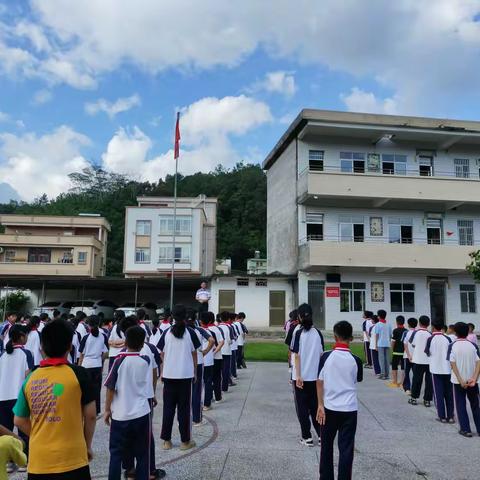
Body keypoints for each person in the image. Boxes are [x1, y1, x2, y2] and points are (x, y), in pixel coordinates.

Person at [13, 319, 96, 479]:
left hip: (39, 462)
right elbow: (91, 416)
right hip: (73, 458)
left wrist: (41, 434)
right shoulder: (80, 374)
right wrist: (87, 445)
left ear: (41, 347)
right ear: (70, 347)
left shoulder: (30, 378)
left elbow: (19, 420)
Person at [104, 325, 165, 480]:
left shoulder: (119, 360)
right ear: (142, 343)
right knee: (143, 453)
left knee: (116, 454)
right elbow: (150, 383)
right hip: (141, 413)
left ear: (126, 342)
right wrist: (152, 398)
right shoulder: (145, 360)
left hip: (121, 414)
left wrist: (106, 409)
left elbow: (110, 387)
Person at [316, 320, 362, 480]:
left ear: (335, 337)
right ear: (351, 338)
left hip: (329, 408)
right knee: (346, 449)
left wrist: (320, 405)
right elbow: (356, 380)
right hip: (349, 409)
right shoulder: (356, 360)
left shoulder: (326, 357)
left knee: (326, 448)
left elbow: (319, 381)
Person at [158, 304, 200, 451]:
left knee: (168, 409)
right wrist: (194, 371)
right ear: (185, 316)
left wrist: (164, 370)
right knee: (184, 410)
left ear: (172, 317)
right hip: (185, 376)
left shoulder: (166, 333)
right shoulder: (191, 333)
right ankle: (185, 441)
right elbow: (195, 353)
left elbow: (161, 353)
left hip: (169, 376)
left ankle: (166, 441)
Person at [290, 303, 324, 447]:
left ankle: (307, 437)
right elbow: (322, 354)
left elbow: (296, 355)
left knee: (302, 408)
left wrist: (297, 375)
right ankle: (322, 435)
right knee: (316, 406)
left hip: (301, 377)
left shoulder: (298, 333)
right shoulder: (318, 333)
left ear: (299, 317)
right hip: (314, 377)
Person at [0, 325, 32, 472]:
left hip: (2, 397)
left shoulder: (3, 355)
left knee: (6, 431)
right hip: (19, 397)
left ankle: (7, 461)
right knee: (23, 430)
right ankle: (23, 461)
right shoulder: (26, 353)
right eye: (26, 335)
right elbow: (28, 376)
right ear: (21, 336)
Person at [447, 322, 480, 437]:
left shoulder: (452, 345)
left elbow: (452, 363)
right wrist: (474, 378)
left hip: (458, 382)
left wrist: (461, 380)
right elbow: (478, 362)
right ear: (468, 332)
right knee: (475, 405)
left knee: (460, 405)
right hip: (472, 381)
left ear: (455, 332)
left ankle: (466, 429)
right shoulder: (473, 345)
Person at [78, 315, 109, 417]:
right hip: (97, 365)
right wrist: (100, 359)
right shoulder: (103, 336)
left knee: (85, 389)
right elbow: (106, 353)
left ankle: (84, 410)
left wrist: (79, 367)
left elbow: (81, 355)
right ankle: (97, 411)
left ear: (88, 325)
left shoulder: (86, 337)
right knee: (96, 389)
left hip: (86, 365)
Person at [188, 312, 214, 426]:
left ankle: (183, 419)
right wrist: (205, 351)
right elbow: (212, 340)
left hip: (185, 364)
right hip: (198, 362)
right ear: (195, 320)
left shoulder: (177, 331)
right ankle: (196, 419)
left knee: (185, 393)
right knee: (197, 391)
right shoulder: (198, 330)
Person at [425, 321, 454, 423]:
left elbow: (427, 352)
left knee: (438, 393)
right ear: (442, 328)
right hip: (447, 369)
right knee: (449, 394)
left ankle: (441, 416)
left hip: (436, 369)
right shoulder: (448, 338)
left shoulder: (430, 338)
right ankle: (450, 416)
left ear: (433, 327)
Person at [408, 315, 433, 407]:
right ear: (428, 324)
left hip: (418, 360)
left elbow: (413, 344)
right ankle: (427, 400)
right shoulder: (430, 334)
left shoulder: (416, 333)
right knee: (429, 381)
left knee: (417, 380)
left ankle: (414, 398)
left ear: (419, 323)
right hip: (429, 361)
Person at [205, 312, 225, 407]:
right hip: (217, 357)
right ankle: (218, 397)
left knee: (208, 379)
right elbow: (221, 342)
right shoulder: (217, 329)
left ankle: (208, 398)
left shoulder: (204, 329)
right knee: (217, 378)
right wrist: (215, 351)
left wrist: (211, 352)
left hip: (207, 359)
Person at [388, 316, 406, 388]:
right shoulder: (406, 331)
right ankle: (402, 383)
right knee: (403, 367)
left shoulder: (395, 330)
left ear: (397, 322)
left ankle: (395, 382)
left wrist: (392, 349)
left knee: (394, 366)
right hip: (404, 352)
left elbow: (393, 341)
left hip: (396, 352)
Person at [374, 309, 392, 381]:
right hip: (387, 343)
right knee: (387, 359)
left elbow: (377, 335)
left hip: (380, 343)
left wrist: (375, 345)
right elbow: (390, 335)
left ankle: (383, 374)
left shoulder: (378, 324)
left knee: (381, 359)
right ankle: (387, 374)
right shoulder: (389, 324)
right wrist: (389, 342)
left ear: (379, 316)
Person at [217, 311, 233, 393]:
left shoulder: (217, 327)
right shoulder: (229, 327)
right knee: (225, 370)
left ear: (220, 318)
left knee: (217, 371)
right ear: (228, 319)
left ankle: (217, 387)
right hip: (226, 350)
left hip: (218, 351)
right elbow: (230, 340)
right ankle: (224, 387)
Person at [402, 317, 418, 394]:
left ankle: (407, 388)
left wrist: (408, 355)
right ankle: (414, 388)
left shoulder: (406, 333)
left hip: (407, 356)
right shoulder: (418, 333)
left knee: (407, 372)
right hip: (416, 357)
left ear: (408, 325)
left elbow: (405, 344)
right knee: (416, 374)